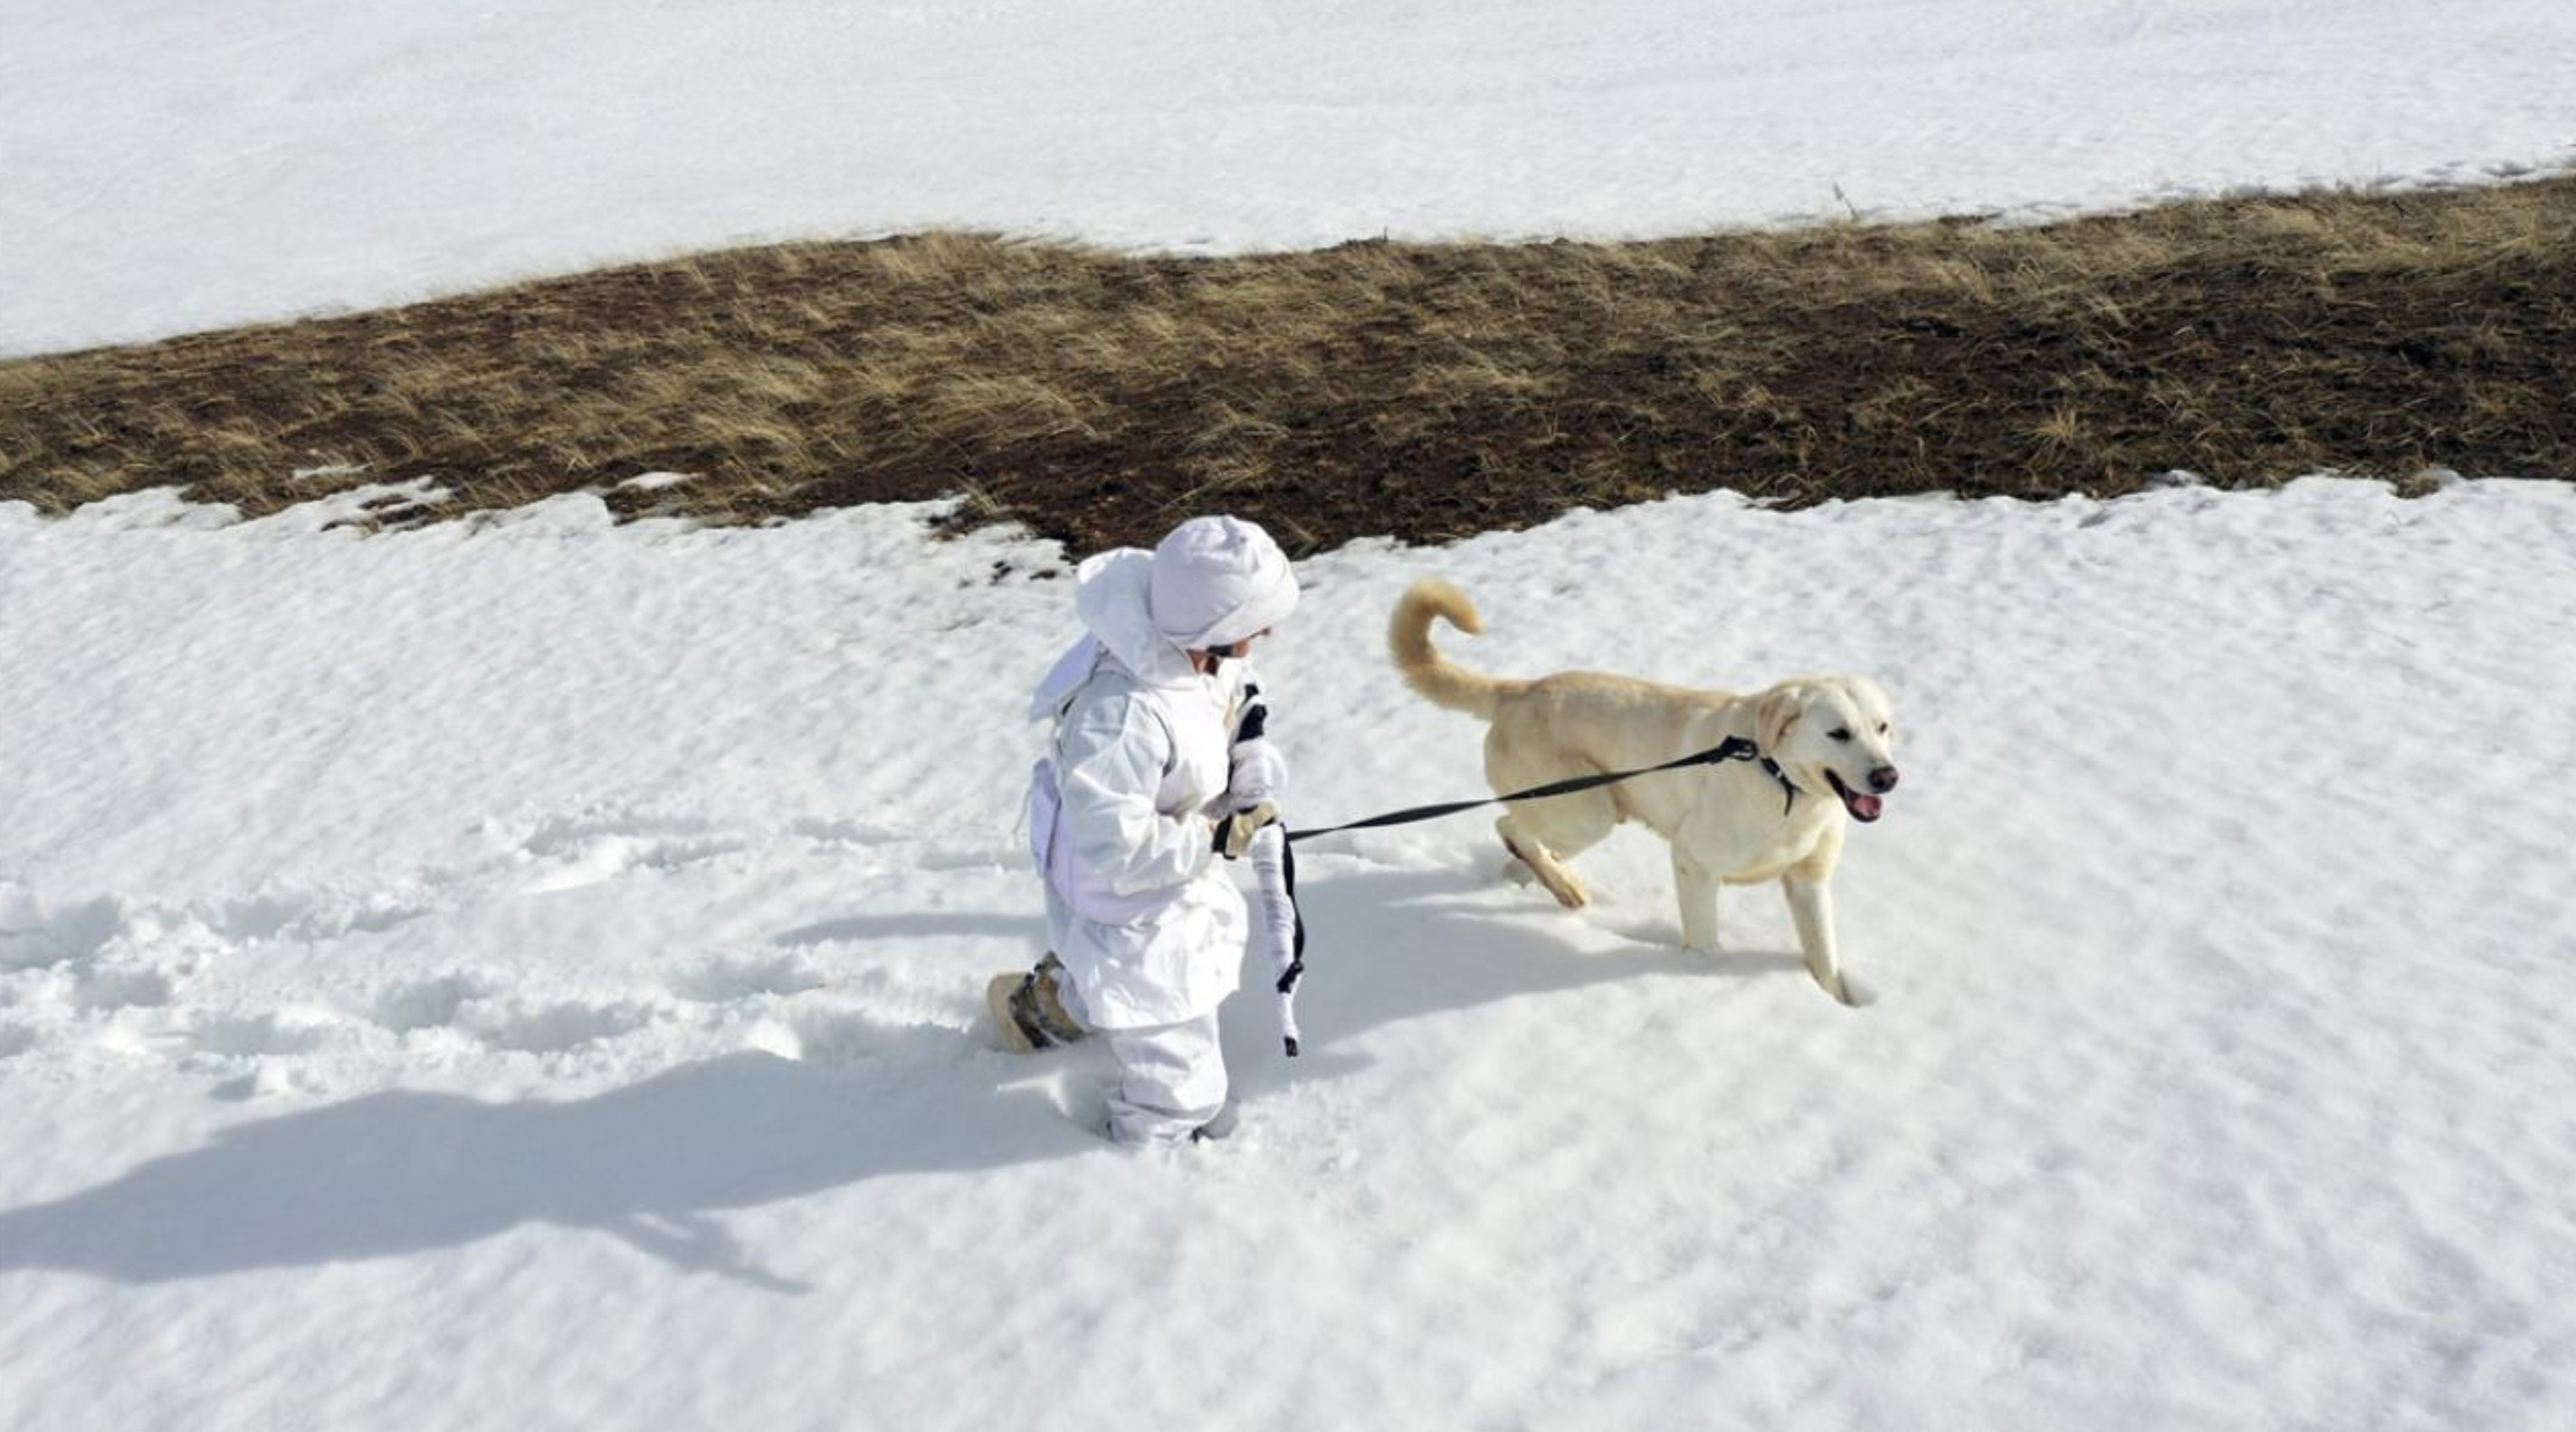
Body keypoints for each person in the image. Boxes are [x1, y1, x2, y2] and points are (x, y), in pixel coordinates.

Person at [991, 514, 1299, 1145]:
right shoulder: (1120, 715)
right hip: (1132, 891)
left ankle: (1044, 1012)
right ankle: (1150, 1152)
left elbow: (1237, 705)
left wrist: (1253, 777)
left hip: (1165, 868)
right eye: (1249, 628)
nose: (1262, 637)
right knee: (1166, 1020)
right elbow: (1118, 848)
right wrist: (1216, 840)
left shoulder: (1194, 647)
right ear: (1208, 628)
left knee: (1109, 970)